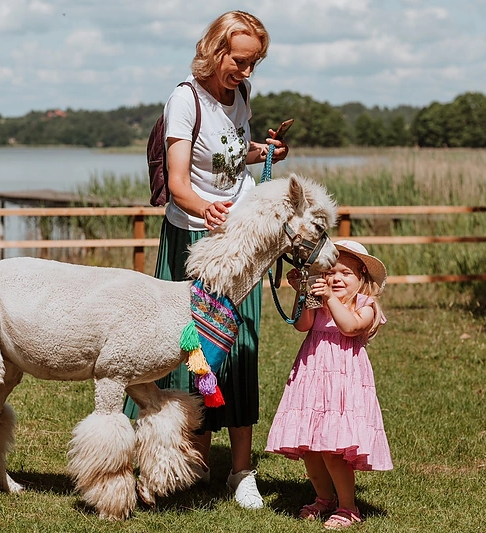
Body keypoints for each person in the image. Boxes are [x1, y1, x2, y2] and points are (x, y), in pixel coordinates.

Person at [123, 10, 289, 509]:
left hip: (239, 246)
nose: (247, 71)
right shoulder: (184, 100)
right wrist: (205, 208)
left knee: (240, 349)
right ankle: (175, 459)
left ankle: (241, 472)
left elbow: (229, 153)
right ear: (216, 51)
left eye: (254, 63)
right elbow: (178, 182)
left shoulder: (239, 97)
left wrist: (264, 150)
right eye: (240, 61)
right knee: (187, 351)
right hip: (192, 245)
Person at [266, 240, 393, 530]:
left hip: (343, 386)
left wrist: (330, 299)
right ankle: (324, 497)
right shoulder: (320, 301)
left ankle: (348, 506)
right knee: (310, 447)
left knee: (334, 450)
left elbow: (349, 327)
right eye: (331, 272)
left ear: (362, 278)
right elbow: (302, 325)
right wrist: (303, 292)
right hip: (312, 378)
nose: (337, 278)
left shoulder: (366, 306)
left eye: (345, 273)